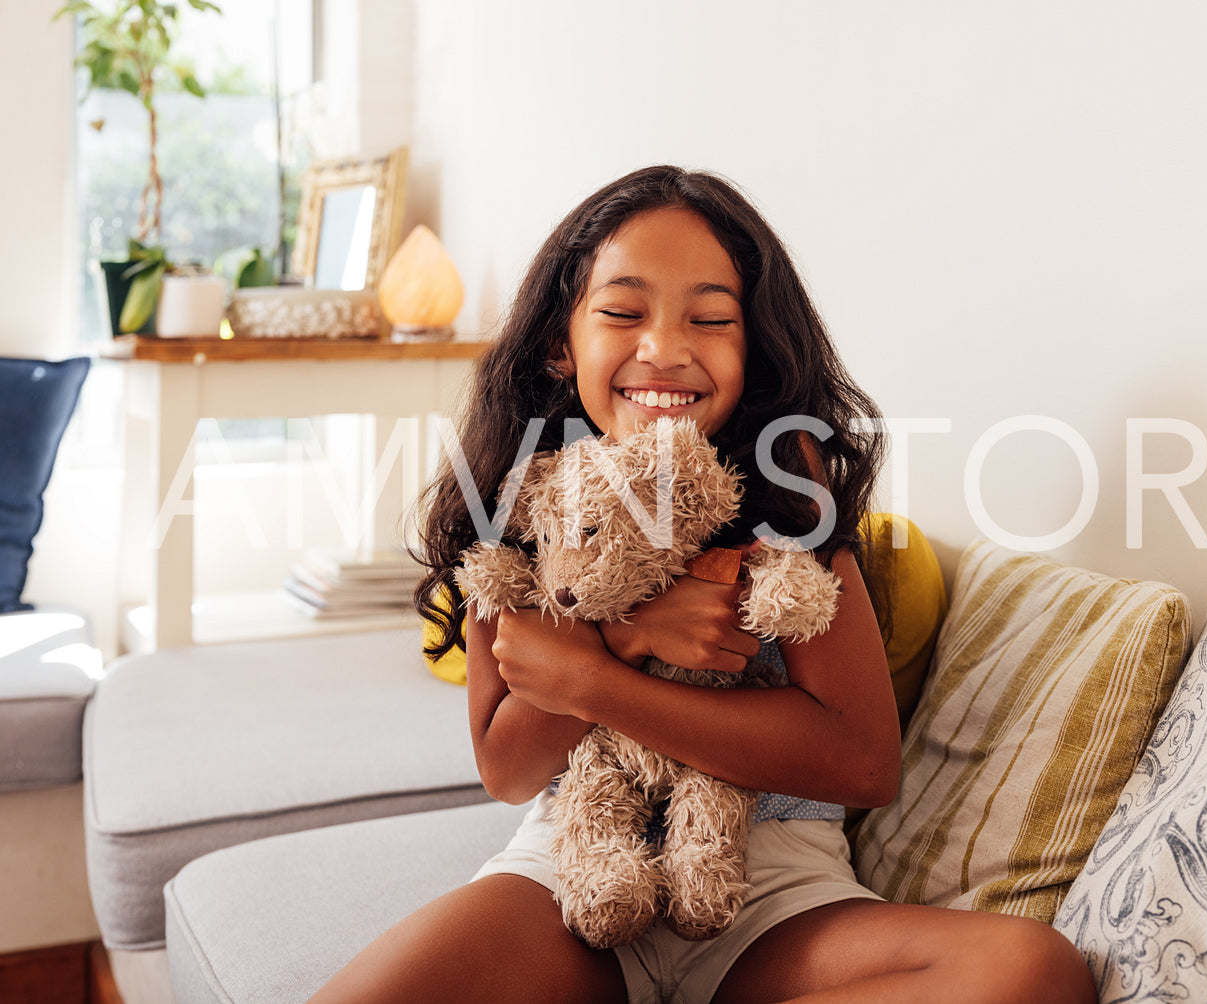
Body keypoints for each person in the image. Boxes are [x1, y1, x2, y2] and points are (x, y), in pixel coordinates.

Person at [310, 166, 1096, 1004]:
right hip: (569, 872)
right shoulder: (523, 507)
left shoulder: (785, 501)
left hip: (773, 892)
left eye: (712, 319)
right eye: (621, 312)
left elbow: (862, 764)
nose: (665, 348)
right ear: (558, 341)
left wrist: (594, 679)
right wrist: (630, 631)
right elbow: (505, 768)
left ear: (751, 350)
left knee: (1030, 970)